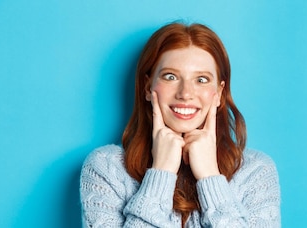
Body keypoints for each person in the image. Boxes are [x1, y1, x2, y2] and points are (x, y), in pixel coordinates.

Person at [80, 22, 281, 227]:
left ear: (219, 93)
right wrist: (161, 173)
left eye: (201, 79)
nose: (185, 93)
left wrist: (210, 176)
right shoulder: (106, 167)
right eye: (171, 76)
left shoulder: (256, 171)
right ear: (148, 87)